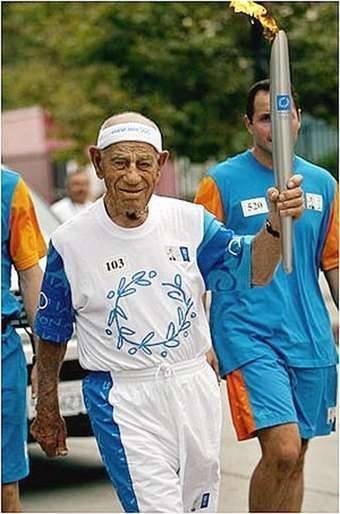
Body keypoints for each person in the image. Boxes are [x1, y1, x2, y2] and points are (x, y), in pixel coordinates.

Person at [30, 111, 303, 513]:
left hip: (192, 386)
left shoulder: (190, 221)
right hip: (122, 396)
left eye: (144, 163)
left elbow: (256, 270)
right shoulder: (70, 242)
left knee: (198, 507)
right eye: (120, 162)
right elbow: (52, 331)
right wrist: (48, 406)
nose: (133, 176)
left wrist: (276, 225)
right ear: (97, 162)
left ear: (161, 164)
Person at [194, 79, 338, 513]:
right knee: (282, 450)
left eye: (282, 115)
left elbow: (332, 262)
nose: (275, 126)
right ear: (249, 124)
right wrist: (201, 337)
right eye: (263, 119)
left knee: (297, 460)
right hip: (247, 333)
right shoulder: (220, 182)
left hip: (309, 335)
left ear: (297, 117)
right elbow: (195, 268)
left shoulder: (322, 183)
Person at [1, 166, 47, 512]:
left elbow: (30, 274)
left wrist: (44, 360)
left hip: (2, 354)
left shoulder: (9, 188)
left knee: (6, 486)